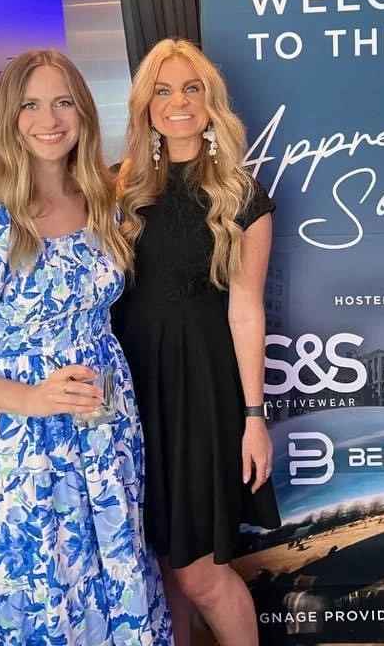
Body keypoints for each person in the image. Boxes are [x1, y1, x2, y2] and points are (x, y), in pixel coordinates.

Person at [0, 50, 170, 646]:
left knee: (114, 563)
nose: (48, 118)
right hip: (23, 444)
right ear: (9, 118)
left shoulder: (102, 202)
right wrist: (30, 399)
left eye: (62, 101)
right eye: (30, 104)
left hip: (106, 425)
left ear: (82, 111)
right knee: (41, 580)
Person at [115, 38, 281, 646]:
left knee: (201, 574)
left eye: (191, 88)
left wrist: (253, 419)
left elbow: (246, 311)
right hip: (128, 391)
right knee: (152, 566)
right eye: (162, 89)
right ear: (145, 104)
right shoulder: (119, 190)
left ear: (211, 102)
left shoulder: (242, 197)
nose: (177, 102)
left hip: (198, 392)